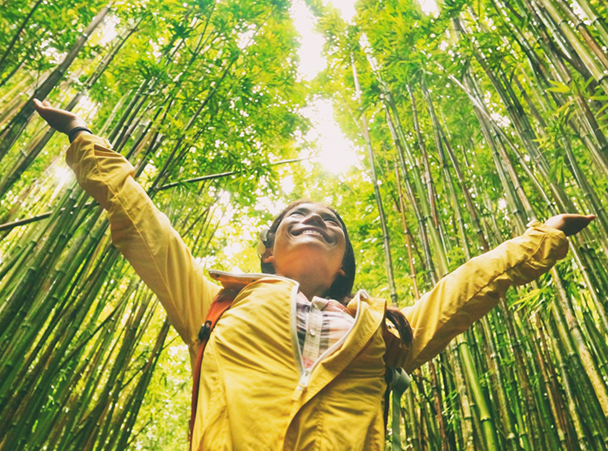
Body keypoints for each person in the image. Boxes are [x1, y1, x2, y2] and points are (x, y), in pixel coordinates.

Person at [33, 98, 595, 451]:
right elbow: (142, 222)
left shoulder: (387, 330)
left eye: (330, 221)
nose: (313, 221)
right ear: (268, 254)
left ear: (344, 262)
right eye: (294, 218)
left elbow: (467, 286)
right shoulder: (213, 302)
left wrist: (542, 237)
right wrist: (84, 138)